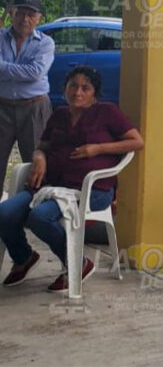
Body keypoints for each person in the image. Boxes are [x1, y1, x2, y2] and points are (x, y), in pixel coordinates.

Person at [0, 66, 144, 291]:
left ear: (94, 93)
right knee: (5, 212)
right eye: (73, 86)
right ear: (65, 89)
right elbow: (42, 147)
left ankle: (77, 263)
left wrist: (97, 149)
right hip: (51, 186)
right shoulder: (59, 115)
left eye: (85, 88)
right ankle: (24, 257)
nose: (78, 92)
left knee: (40, 217)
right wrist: (39, 158)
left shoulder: (107, 112)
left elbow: (137, 142)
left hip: (91, 191)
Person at [0, 0, 55, 190]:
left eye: (31, 15)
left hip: (34, 107)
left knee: (36, 161)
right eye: (20, 13)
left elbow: (35, 72)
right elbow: (29, 72)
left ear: (39, 18)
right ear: (12, 14)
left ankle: (32, 210)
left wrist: (3, 67)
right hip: (2, 105)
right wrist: (19, 71)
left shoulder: (46, 43)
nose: (25, 19)